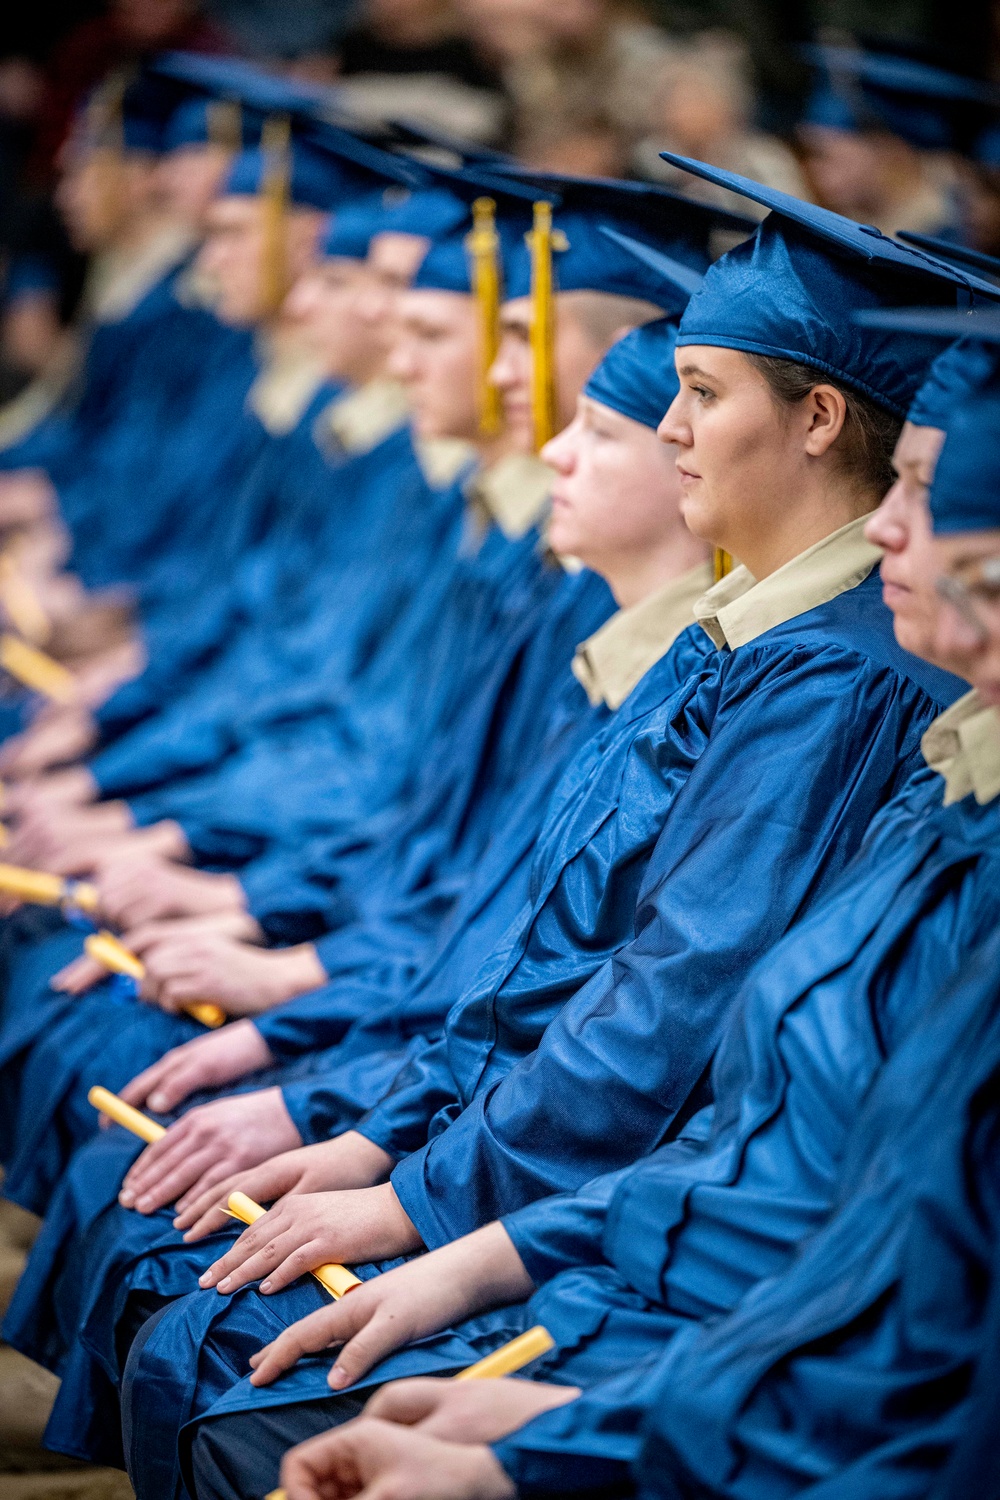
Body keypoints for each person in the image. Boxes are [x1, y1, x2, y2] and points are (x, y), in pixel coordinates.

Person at [75, 163, 986, 1495]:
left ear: (818, 418)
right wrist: (370, 1122)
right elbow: (515, 939)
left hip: (685, 1309)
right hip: (623, 1247)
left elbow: (672, 1035)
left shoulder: (845, 687)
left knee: (217, 1337)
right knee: (173, 1239)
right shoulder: (767, 666)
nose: (636, 428)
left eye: (697, 394)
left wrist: (426, 1200)